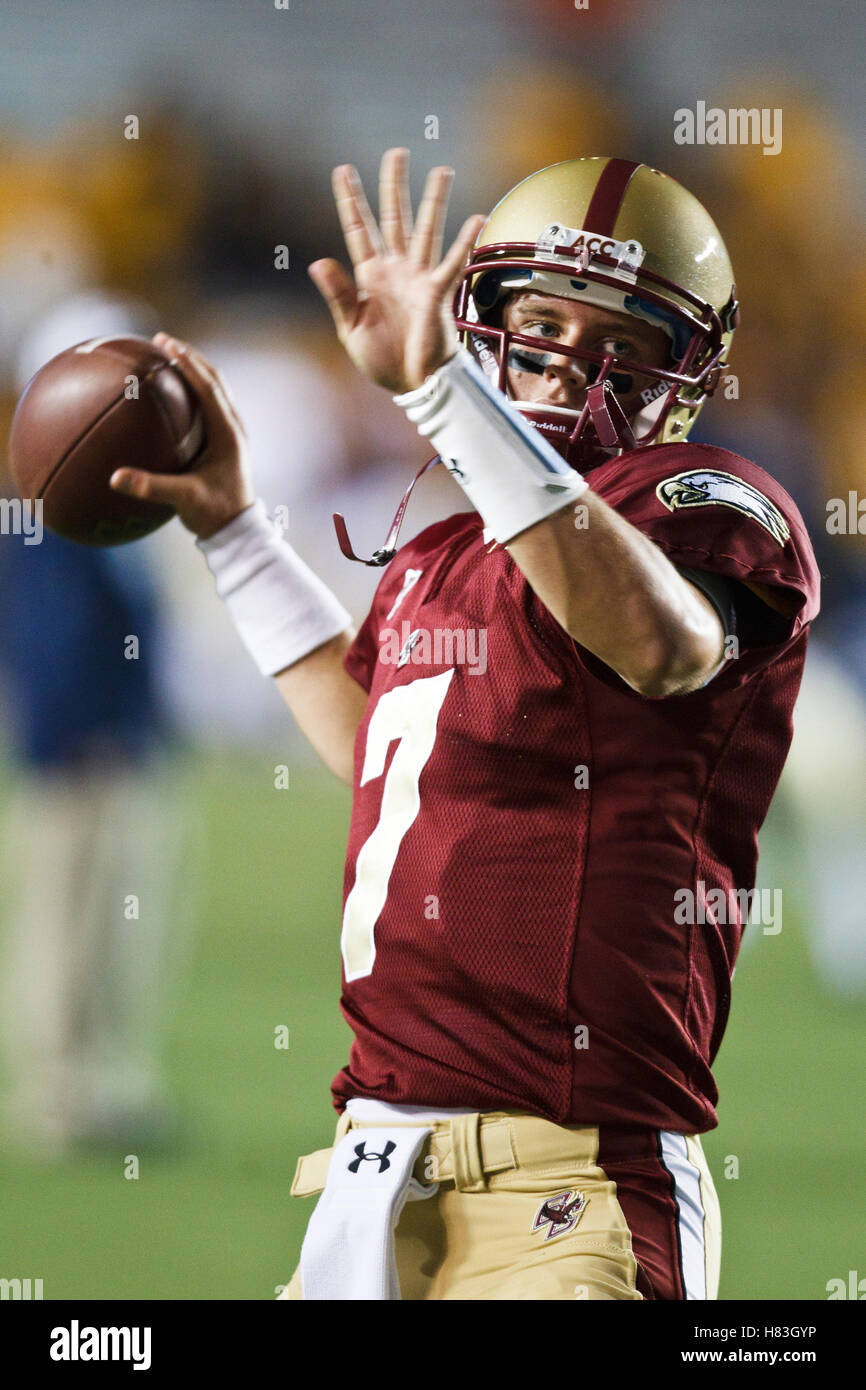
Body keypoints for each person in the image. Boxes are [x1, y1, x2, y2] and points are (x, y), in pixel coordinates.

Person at [110, 151, 820, 1300]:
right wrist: (236, 534)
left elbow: (659, 644)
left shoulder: (704, 501)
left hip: (569, 1186)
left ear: (682, 373)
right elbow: (378, 749)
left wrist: (441, 392)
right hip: (366, 1182)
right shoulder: (443, 552)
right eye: (539, 318)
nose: (570, 363)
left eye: (619, 343)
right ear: (480, 318)